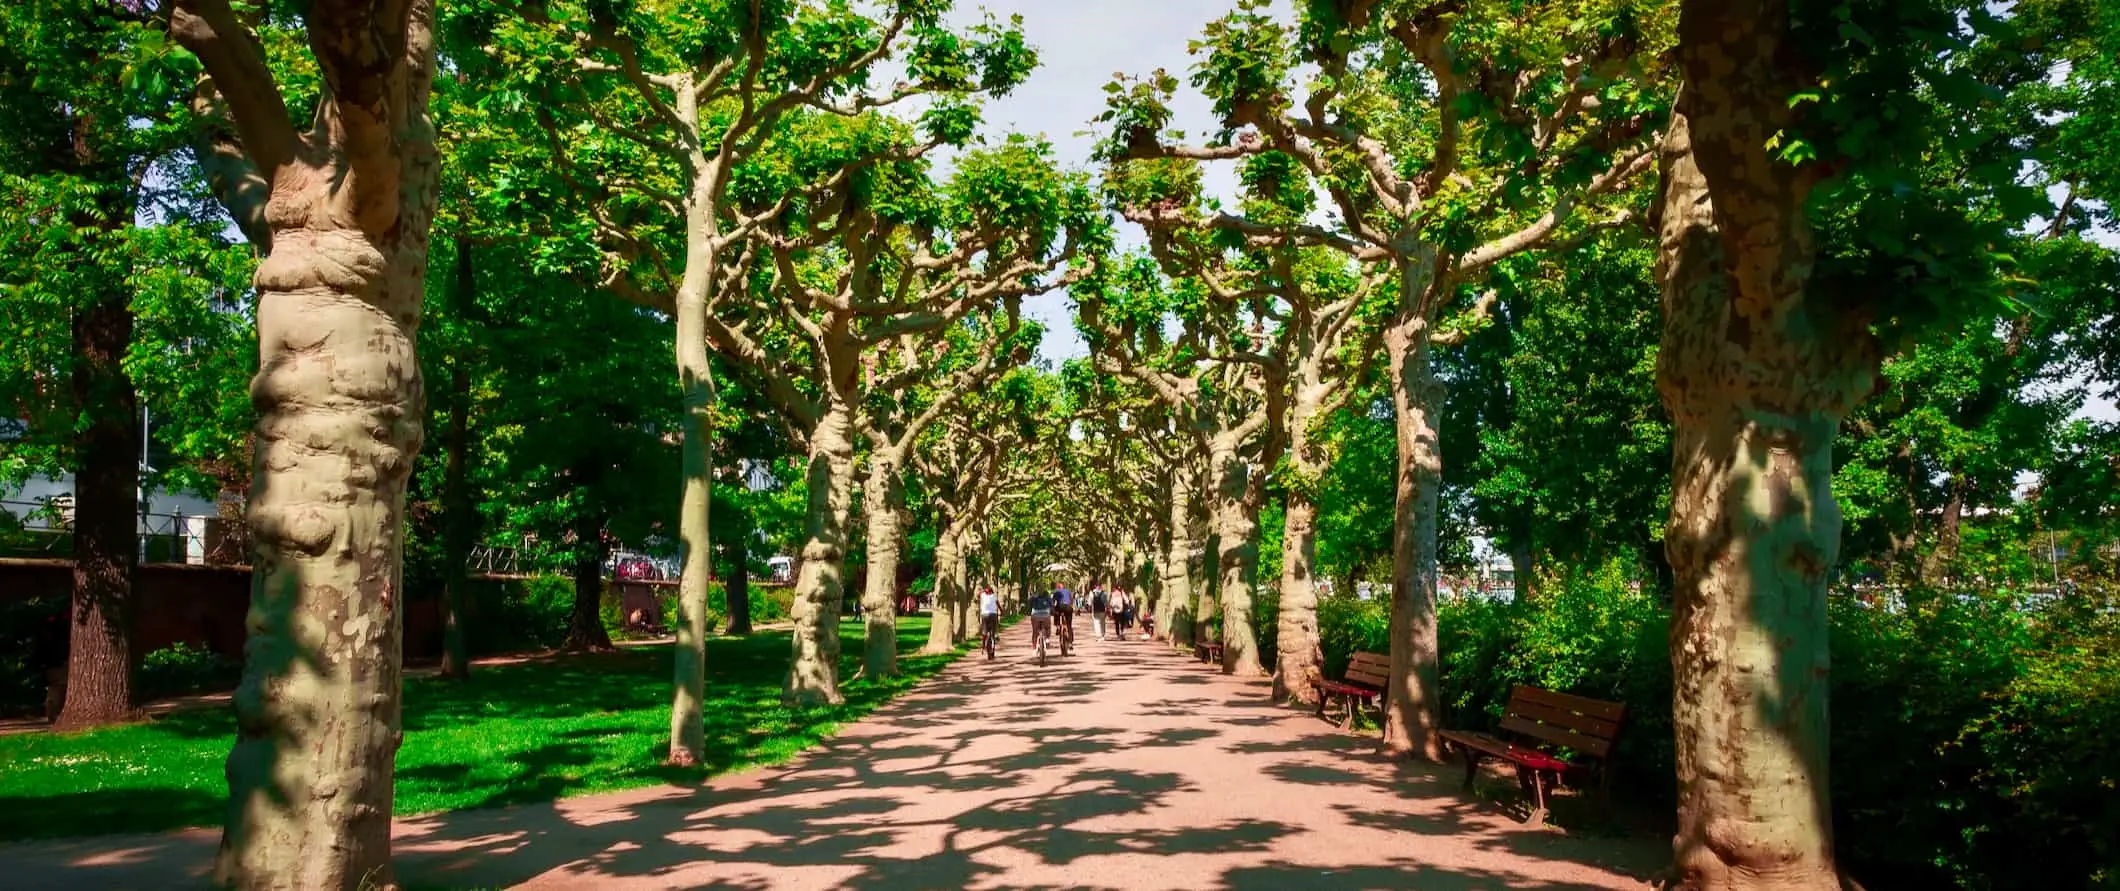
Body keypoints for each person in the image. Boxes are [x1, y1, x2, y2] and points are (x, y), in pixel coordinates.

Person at [1026, 585, 1055, 655]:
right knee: (1048, 627)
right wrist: (1053, 612)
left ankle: (1034, 649)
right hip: (1045, 614)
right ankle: (1047, 639)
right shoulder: (1047, 597)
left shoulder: (1033, 597)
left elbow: (1029, 604)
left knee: (1035, 632)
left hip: (1035, 615)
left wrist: (1027, 611)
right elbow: (1052, 605)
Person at [1051, 582, 1076, 652]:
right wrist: (1071, 606)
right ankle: (1070, 643)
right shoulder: (1068, 591)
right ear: (1064, 586)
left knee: (1056, 612)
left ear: (1058, 587)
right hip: (1068, 608)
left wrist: (1053, 609)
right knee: (1069, 625)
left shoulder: (1056, 591)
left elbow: (1053, 602)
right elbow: (1071, 600)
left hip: (1060, 607)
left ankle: (1058, 626)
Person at [977, 585, 1001, 649]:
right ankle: (996, 634)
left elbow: (978, 595)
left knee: (984, 630)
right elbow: (998, 605)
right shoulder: (994, 596)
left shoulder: (983, 595)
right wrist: (1002, 611)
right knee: (995, 625)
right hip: (993, 614)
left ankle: (983, 643)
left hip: (984, 615)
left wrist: (983, 590)